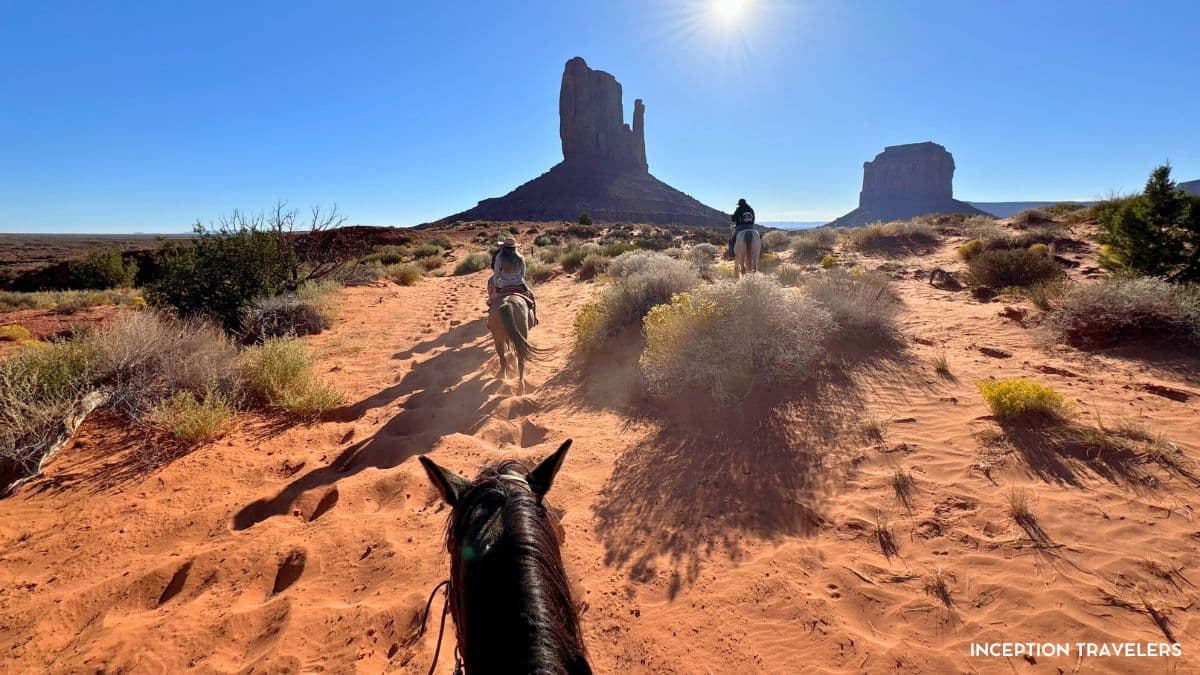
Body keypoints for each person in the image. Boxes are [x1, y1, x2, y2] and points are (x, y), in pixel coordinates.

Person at [488, 236, 537, 325]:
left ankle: (490, 321)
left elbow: (496, 273)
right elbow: (523, 273)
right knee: (532, 297)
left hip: (503, 285)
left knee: (491, 301)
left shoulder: (499, 257)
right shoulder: (520, 257)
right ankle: (534, 319)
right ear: (514, 247)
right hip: (519, 284)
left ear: (504, 247)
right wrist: (517, 279)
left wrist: (496, 285)